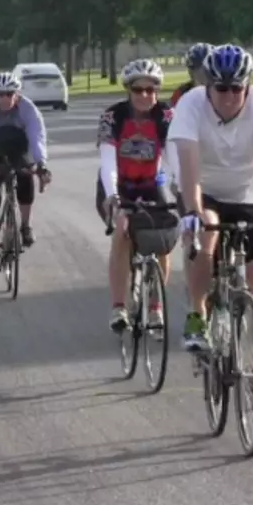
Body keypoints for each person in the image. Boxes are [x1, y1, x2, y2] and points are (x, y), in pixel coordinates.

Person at [168, 43, 253, 410]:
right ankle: (198, 315)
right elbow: (189, 165)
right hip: (203, 188)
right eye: (221, 89)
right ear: (207, 86)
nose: (229, 97)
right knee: (207, 229)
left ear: (248, 86)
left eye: (237, 88)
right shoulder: (190, 106)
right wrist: (194, 212)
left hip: (247, 193)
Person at [96, 58, 180, 333]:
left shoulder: (165, 116)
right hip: (118, 185)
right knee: (122, 229)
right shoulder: (113, 116)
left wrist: (181, 190)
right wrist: (113, 198)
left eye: (151, 89)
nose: (145, 95)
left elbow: (175, 157)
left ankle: (155, 306)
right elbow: (108, 161)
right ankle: (118, 306)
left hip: (150, 183)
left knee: (163, 232)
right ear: (128, 90)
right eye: (138, 89)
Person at [0, 71, 52, 273]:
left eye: (10, 94)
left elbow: (36, 136)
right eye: (0, 94)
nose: (5, 98)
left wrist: (41, 163)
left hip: (19, 149)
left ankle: (25, 225)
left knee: (26, 176)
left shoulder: (28, 109)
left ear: (17, 94)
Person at [169, 42, 211, 107]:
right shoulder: (181, 93)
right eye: (199, 69)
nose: (204, 73)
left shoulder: (224, 90)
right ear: (191, 71)